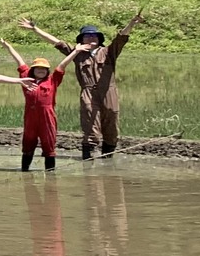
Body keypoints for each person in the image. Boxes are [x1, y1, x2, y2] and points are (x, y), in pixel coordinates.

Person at [18, 9, 145, 160]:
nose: (91, 38)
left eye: (94, 35)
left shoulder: (108, 52)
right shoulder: (77, 53)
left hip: (109, 93)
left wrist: (132, 23)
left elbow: (121, 37)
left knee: (111, 127)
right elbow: (56, 42)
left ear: (98, 38)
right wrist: (35, 29)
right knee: (90, 125)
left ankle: (108, 160)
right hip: (88, 93)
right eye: (87, 35)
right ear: (82, 40)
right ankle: (88, 161)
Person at [0, 38, 89, 172]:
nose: (41, 70)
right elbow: (19, 61)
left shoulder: (53, 80)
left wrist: (76, 51)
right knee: (28, 144)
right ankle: (25, 171)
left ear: (47, 71)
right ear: (33, 70)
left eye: (44, 69)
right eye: (38, 68)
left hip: (47, 117)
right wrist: (8, 46)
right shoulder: (26, 79)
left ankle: (50, 174)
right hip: (30, 118)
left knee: (49, 145)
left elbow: (62, 65)